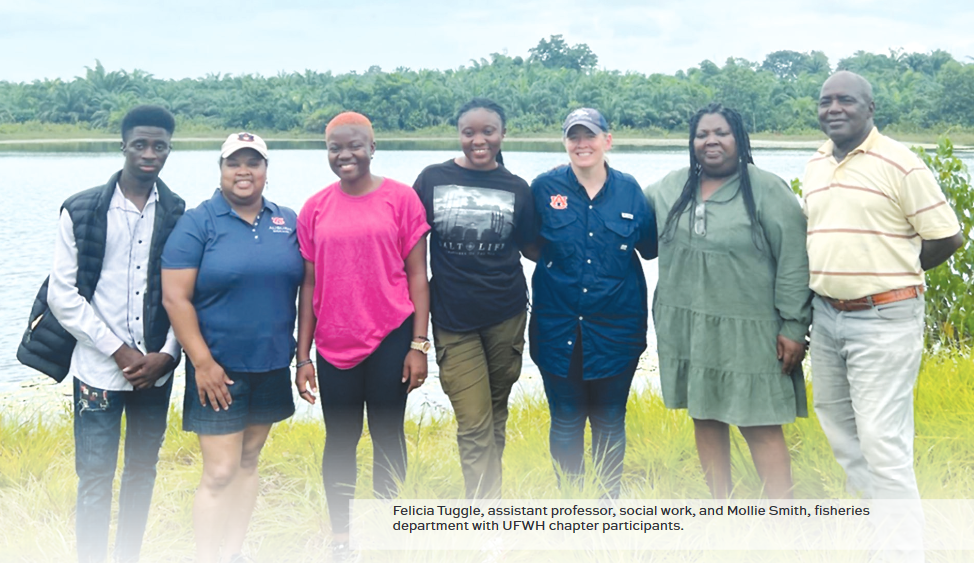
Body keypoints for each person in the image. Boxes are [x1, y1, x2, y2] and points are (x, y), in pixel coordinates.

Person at [805, 72, 962, 557]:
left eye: (846, 100)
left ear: (869, 108)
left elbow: (948, 236)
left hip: (884, 318)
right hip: (828, 318)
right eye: (826, 100)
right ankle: (873, 533)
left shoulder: (901, 163)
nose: (834, 108)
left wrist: (893, 274)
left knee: (881, 439)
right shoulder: (815, 163)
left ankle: (902, 552)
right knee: (840, 426)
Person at [645, 102, 811, 499]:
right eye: (702, 134)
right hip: (690, 326)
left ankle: (780, 517)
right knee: (704, 417)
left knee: (761, 423)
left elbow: (794, 261)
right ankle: (721, 510)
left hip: (752, 330)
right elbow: (621, 209)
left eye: (721, 132)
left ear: (739, 138)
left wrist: (794, 326)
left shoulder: (767, 189)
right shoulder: (670, 187)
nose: (711, 141)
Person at [46, 105, 184, 563]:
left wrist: (167, 353)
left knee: (142, 472)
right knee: (95, 477)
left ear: (169, 149)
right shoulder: (82, 209)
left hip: (157, 371)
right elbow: (63, 296)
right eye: (141, 144)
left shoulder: (178, 212)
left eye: (159, 146)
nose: (150, 154)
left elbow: (185, 292)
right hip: (98, 371)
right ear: (123, 144)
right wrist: (120, 351)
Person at [160, 132, 302, 563]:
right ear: (220, 170)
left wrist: (303, 356)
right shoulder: (198, 222)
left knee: (248, 462)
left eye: (253, 163)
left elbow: (309, 285)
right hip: (218, 369)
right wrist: (202, 363)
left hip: (272, 363)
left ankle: (234, 553)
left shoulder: (287, 220)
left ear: (265, 170)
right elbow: (174, 297)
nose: (244, 171)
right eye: (234, 163)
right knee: (220, 471)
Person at [294, 112, 430, 561]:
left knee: (389, 434)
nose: (344, 154)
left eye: (354, 145)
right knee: (341, 439)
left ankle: (386, 536)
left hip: (391, 337)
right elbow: (309, 285)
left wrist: (418, 344)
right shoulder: (315, 208)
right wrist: (303, 356)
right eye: (335, 147)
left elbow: (418, 277)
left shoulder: (402, 199)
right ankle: (342, 537)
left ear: (372, 148)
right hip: (334, 343)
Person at [529, 108, 657, 498]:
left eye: (590, 136)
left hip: (616, 330)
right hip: (558, 328)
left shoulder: (630, 190)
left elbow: (650, 247)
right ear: (565, 142)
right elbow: (530, 246)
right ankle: (571, 503)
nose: (581, 144)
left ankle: (605, 505)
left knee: (609, 421)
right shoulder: (543, 189)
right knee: (566, 421)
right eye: (574, 137)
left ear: (607, 140)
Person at [412, 98, 536, 499]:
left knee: (496, 413)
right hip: (452, 319)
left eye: (488, 131)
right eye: (469, 132)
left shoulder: (517, 188)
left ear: (502, 135)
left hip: (507, 313)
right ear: (459, 134)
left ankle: (489, 505)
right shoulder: (432, 179)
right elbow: (406, 245)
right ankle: (482, 512)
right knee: (474, 421)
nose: (478, 140)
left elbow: (533, 246)